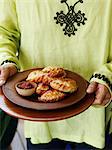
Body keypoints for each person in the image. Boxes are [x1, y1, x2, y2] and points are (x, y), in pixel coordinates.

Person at [0, 0, 112, 149]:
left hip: (96, 114)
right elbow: (4, 30)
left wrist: (108, 74)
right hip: (38, 116)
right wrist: (6, 61)